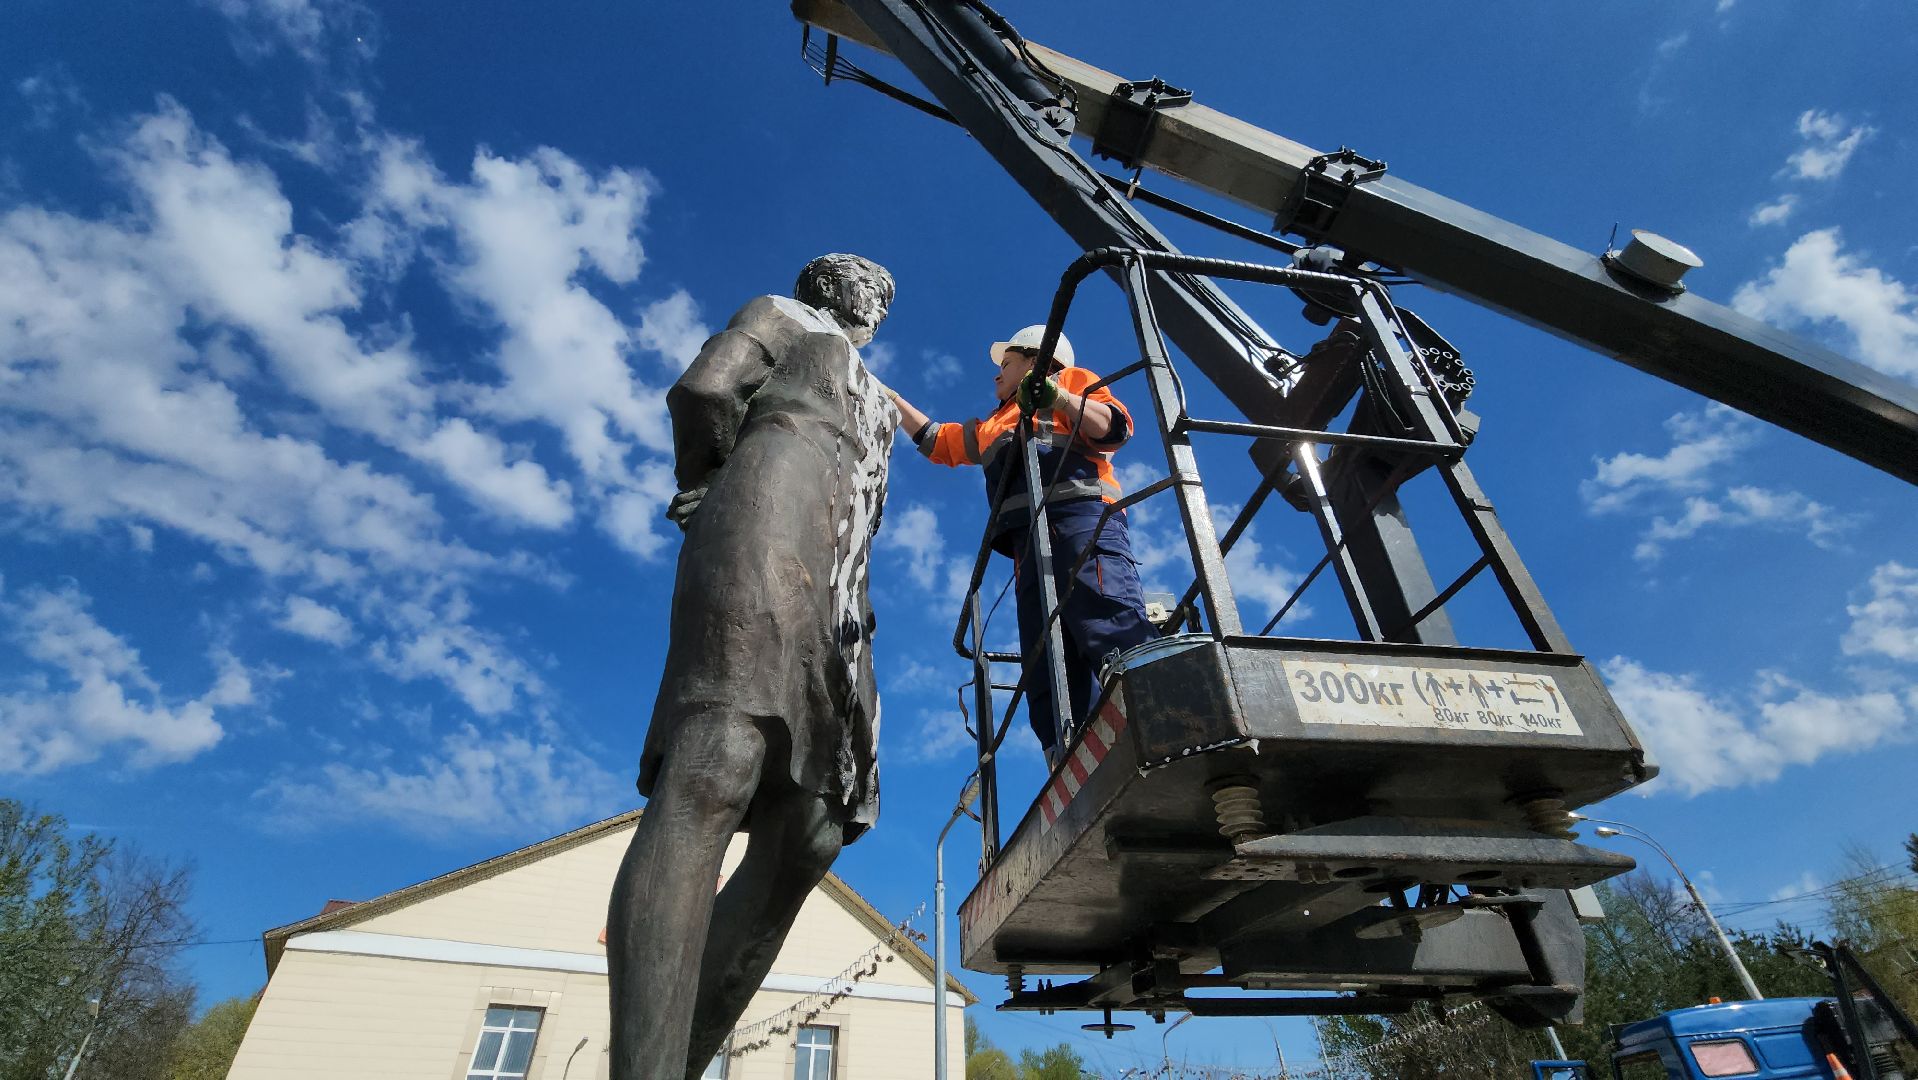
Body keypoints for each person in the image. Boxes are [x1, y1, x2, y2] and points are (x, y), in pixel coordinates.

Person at [607, 254, 898, 1080]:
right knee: (720, 762)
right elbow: (705, 390)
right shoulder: (784, 314)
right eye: (869, 289)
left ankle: (678, 1061)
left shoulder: (871, 389)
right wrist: (709, 479)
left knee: (813, 828)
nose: (878, 305)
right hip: (764, 533)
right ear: (834, 290)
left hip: (840, 594)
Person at [888, 324, 1156, 761]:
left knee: (1102, 608)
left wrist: (1057, 398)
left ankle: (1152, 704)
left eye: (1005, 364)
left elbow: (1114, 428)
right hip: (1026, 542)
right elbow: (940, 442)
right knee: (1043, 651)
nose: (996, 375)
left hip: (1080, 518)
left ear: (1035, 360)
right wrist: (893, 400)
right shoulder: (995, 422)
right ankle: (1065, 752)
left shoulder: (1070, 380)